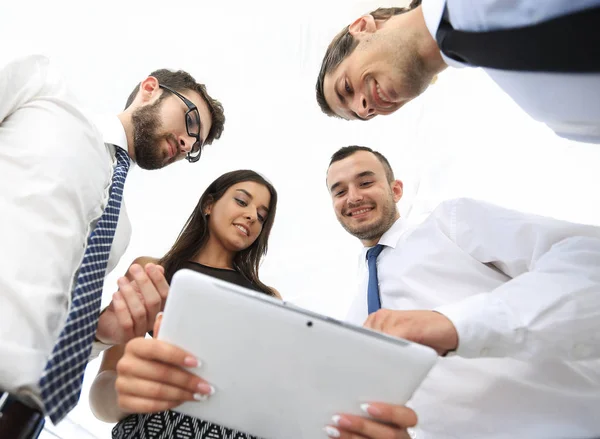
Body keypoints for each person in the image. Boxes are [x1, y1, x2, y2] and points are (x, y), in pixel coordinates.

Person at [90, 169, 419, 439]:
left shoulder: (269, 298)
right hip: (153, 429)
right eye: (241, 201)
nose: (251, 216)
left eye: (261, 215)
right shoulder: (152, 271)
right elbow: (102, 393)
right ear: (209, 204)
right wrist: (126, 393)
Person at [0, 54, 225, 432]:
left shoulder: (119, 231)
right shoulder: (46, 93)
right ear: (150, 88)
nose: (188, 143)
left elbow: (56, 326)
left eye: (196, 145)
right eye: (190, 121)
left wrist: (101, 333)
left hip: (20, 414)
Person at [325, 145, 600, 438]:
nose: (353, 197)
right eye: (339, 191)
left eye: (366, 182)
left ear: (396, 190)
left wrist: (455, 324)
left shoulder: (450, 223)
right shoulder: (352, 319)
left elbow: (588, 260)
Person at [315, 0, 600, 144]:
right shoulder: (557, 118)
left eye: (346, 89)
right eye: (361, 115)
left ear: (362, 27)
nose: (363, 109)